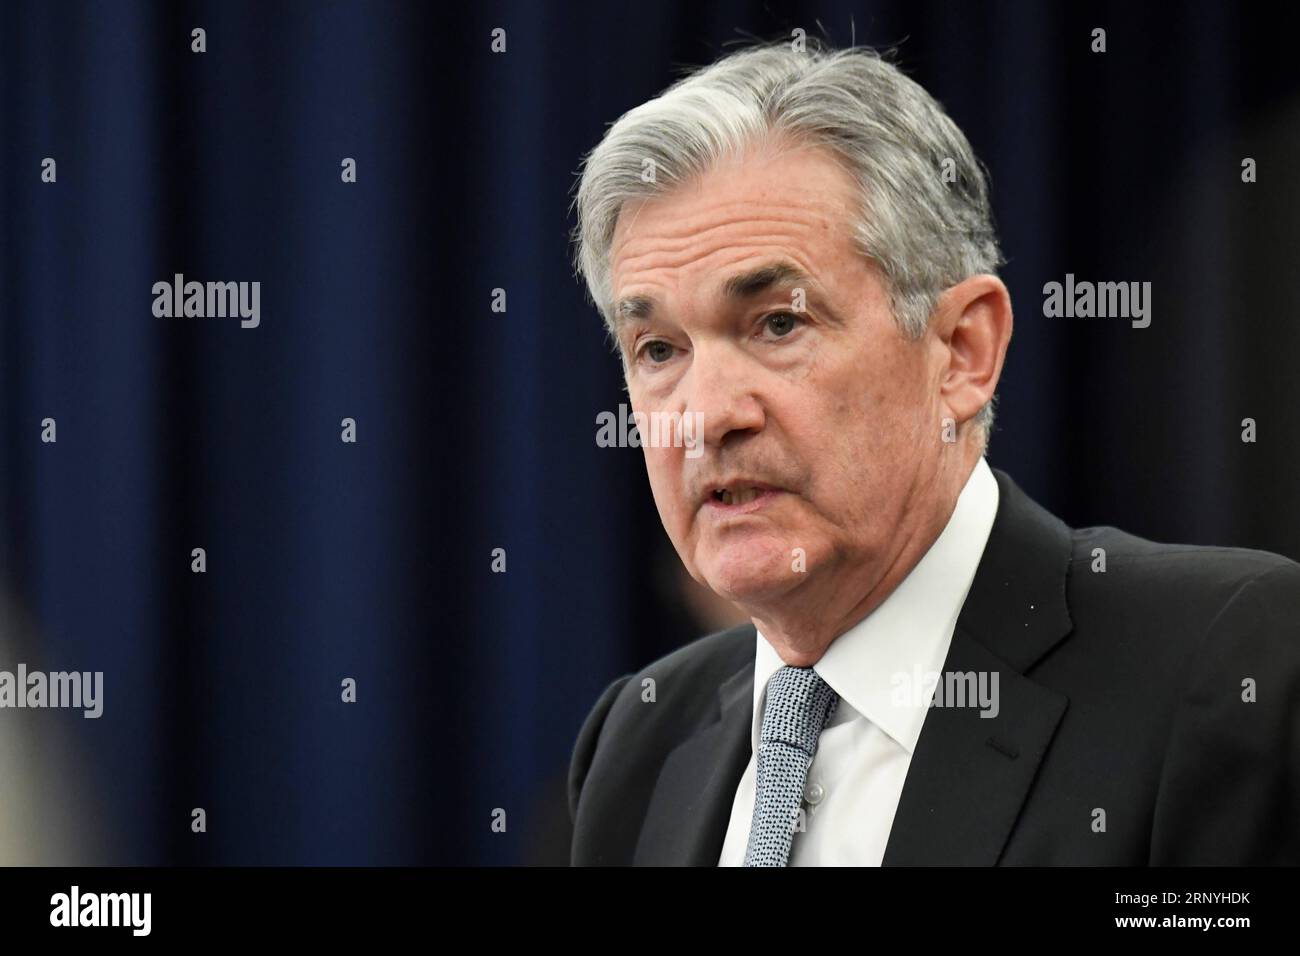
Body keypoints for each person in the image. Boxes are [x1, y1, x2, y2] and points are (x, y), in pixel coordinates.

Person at [566, 41, 1300, 866]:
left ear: (961, 350)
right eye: (658, 349)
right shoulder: (638, 737)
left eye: (778, 323)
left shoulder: (1228, 662)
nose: (702, 418)